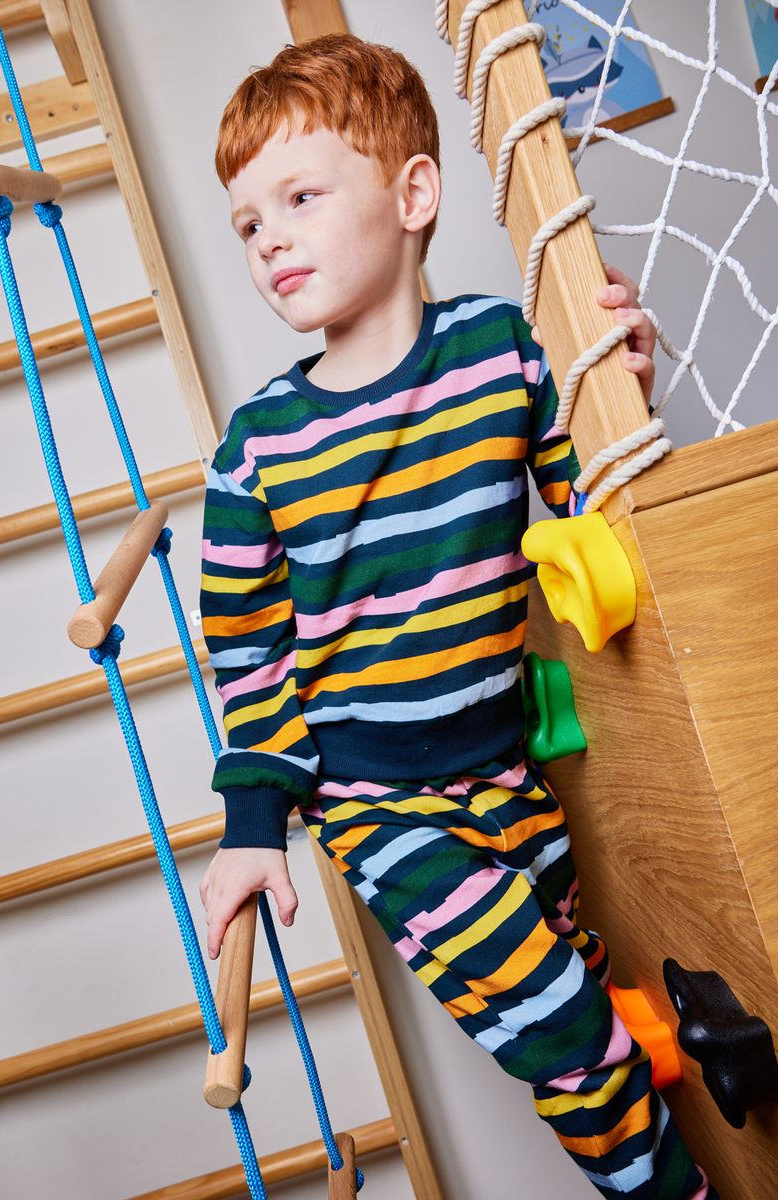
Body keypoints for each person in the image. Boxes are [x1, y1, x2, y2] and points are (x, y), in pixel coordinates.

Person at [199, 33, 715, 1200]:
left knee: (585, 986)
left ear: (413, 194)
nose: (266, 235)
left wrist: (625, 388)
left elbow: (594, 514)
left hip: (510, 779)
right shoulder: (258, 450)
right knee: (569, 1045)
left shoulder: (503, 353)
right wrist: (251, 824)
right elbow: (243, 647)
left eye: (298, 196)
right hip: (376, 804)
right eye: (245, 222)